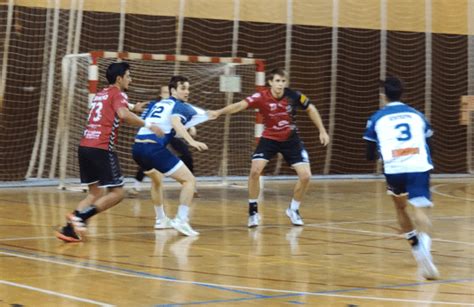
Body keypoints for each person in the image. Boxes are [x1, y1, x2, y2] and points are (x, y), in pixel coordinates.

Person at [56, 62, 163, 243]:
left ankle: (69, 230)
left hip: (85, 146)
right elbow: (122, 114)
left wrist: (132, 106)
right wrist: (148, 124)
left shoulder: (100, 94)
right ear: (119, 78)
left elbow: (116, 106)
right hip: (101, 147)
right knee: (118, 193)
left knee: (94, 194)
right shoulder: (119, 94)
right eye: (128, 76)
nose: (131, 79)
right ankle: (79, 218)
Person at [210, 68, 330, 228]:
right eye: (277, 81)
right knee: (255, 171)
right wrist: (219, 112)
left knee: (306, 176)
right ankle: (253, 211)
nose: (280, 84)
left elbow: (311, 109)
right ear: (270, 82)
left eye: (283, 81)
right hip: (269, 139)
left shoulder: (294, 96)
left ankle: (293, 210)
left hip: (291, 140)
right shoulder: (261, 96)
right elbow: (240, 105)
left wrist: (322, 130)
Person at [363, 76, 439, 280]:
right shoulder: (417, 115)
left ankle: (416, 248)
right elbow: (429, 139)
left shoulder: (376, 118)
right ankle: (425, 252)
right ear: (402, 93)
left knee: (400, 207)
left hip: (394, 168)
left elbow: (369, 154)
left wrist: (382, 151)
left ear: (383, 95)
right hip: (418, 165)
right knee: (420, 208)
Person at [132, 75, 209, 236]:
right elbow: (175, 123)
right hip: (153, 149)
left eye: (188, 88)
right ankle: (181, 220)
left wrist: (134, 106)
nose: (187, 92)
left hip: (137, 148)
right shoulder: (178, 105)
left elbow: (140, 111)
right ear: (173, 90)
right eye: (183, 88)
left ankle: (161, 220)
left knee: (157, 180)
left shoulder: (156, 103)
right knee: (189, 180)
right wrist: (191, 141)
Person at [129, 85, 197, 197]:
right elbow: (144, 119)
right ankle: (136, 186)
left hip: (171, 134)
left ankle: (191, 185)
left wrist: (190, 128)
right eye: (165, 92)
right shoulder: (154, 105)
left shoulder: (175, 105)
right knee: (149, 156)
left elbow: (179, 120)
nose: (167, 94)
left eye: (168, 92)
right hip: (156, 134)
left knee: (187, 154)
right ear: (160, 94)